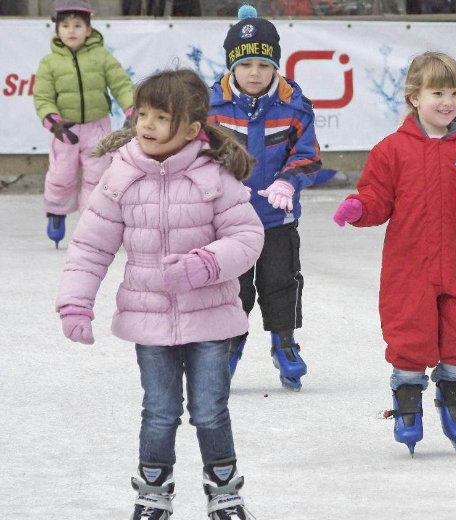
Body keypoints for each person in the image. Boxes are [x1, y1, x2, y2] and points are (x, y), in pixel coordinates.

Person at [55, 69, 264, 520]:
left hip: (209, 317)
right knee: (159, 411)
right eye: (142, 113)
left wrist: (205, 264)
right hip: (149, 318)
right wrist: (76, 300)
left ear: (191, 129)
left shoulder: (213, 176)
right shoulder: (121, 176)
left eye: (160, 116)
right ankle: (153, 493)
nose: (146, 124)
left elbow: (247, 237)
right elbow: (91, 245)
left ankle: (224, 492)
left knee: (210, 411)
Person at [333, 51, 456, 455]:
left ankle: (452, 391)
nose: (447, 101)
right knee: (409, 329)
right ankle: (408, 397)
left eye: (454, 92)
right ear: (415, 97)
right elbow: (376, 196)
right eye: (437, 92)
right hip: (409, 265)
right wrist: (360, 207)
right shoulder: (392, 150)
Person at [209, 5, 325, 391]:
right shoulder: (212, 107)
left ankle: (284, 342)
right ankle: (228, 346)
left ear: (275, 65)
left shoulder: (293, 105)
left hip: (277, 219)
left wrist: (288, 183)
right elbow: (195, 155)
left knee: (282, 281)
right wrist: (221, 184)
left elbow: (308, 154)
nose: (254, 73)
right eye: (245, 65)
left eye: (263, 64)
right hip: (229, 222)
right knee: (232, 288)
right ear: (231, 67)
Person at [33, 0, 134, 248]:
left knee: (98, 175)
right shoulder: (49, 63)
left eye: (78, 25)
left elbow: (121, 84)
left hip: (97, 127)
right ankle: (57, 212)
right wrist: (53, 122)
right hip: (64, 130)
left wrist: (133, 109)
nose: (71, 30)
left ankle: (93, 224)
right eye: (65, 25)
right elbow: (43, 97)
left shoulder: (101, 56)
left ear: (88, 29)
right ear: (57, 30)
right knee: (61, 173)